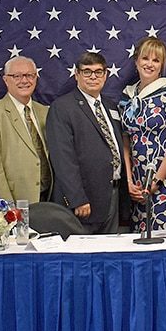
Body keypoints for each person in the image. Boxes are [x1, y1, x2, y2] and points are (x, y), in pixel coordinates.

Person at [45, 52, 124, 234]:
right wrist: (77, 198)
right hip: (84, 200)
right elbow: (63, 158)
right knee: (84, 257)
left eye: (98, 72)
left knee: (109, 253)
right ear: (76, 75)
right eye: (87, 72)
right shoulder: (63, 107)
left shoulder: (111, 106)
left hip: (112, 194)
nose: (93, 77)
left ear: (106, 75)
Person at [120, 37, 166, 233]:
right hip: (137, 185)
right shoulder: (127, 97)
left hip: (164, 182)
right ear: (136, 61)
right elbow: (125, 140)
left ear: (162, 65)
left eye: (156, 60)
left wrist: (155, 182)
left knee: (163, 238)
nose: (149, 64)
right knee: (138, 239)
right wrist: (129, 182)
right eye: (145, 58)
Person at [0, 55, 52, 203]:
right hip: (15, 201)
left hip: (48, 199)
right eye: (17, 76)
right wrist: (6, 208)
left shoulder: (45, 112)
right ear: (5, 80)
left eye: (29, 75)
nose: (24, 80)